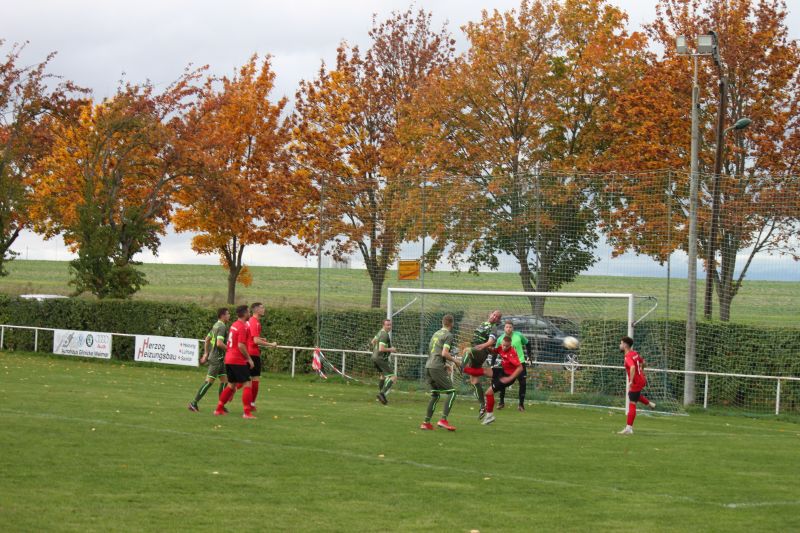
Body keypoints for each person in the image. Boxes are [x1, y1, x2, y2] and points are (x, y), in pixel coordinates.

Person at [420, 314, 461, 431]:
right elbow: (444, 353)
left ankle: (426, 423)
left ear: (442, 323)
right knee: (452, 392)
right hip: (436, 366)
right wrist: (455, 361)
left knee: (435, 394)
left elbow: (433, 351)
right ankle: (443, 420)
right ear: (452, 324)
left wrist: (444, 364)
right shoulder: (449, 335)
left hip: (428, 366)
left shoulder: (435, 334)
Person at [215, 305, 256, 418]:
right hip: (237, 360)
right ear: (244, 314)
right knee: (247, 383)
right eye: (248, 312)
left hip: (229, 359)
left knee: (231, 385)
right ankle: (247, 412)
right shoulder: (242, 327)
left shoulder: (234, 325)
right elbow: (241, 345)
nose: (250, 314)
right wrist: (249, 359)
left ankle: (219, 409)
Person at [461, 310, 502, 420]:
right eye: (494, 315)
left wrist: (480, 347)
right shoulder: (483, 324)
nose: (494, 317)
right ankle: (482, 406)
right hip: (476, 351)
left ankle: (460, 367)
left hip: (480, 351)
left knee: (466, 351)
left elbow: (490, 342)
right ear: (490, 314)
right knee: (474, 381)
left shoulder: (493, 328)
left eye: (497, 317)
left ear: (498, 320)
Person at [188, 307, 230, 412]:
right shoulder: (221, 327)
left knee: (224, 381)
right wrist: (230, 350)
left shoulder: (216, 325)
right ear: (223, 316)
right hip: (216, 359)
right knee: (208, 382)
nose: (229, 316)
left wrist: (206, 353)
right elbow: (219, 343)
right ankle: (193, 403)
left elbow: (207, 339)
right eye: (228, 314)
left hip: (219, 359)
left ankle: (221, 405)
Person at [482, 334, 524, 425]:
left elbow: (520, 368)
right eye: (503, 345)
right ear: (502, 343)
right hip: (502, 371)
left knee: (488, 392)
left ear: (511, 344)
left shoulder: (512, 353)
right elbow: (494, 351)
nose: (504, 347)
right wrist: (485, 346)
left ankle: (489, 416)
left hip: (508, 377)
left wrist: (510, 378)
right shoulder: (501, 347)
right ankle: (465, 369)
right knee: (484, 371)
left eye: (507, 346)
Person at [618, 336, 656, 435]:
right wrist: (642, 372)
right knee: (634, 395)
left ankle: (629, 428)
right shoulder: (634, 353)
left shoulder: (628, 357)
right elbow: (643, 362)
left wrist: (631, 381)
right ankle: (650, 404)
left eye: (621, 343)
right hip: (641, 380)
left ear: (625, 345)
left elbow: (633, 367)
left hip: (636, 382)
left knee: (632, 402)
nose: (620, 345)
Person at [246, 302, 277, 412]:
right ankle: (251, 404)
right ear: (256, 310)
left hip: (249, 352)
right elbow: (255, 340)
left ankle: (249, 403)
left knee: (248, 380)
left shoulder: (251, 321)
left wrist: (261, 339)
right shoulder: (255, 322)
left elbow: (252, 337)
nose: (264, 309)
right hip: (253, 353)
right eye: (262, 307)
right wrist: (271, 345)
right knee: (254, 380)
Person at [495, 320, 531, 411]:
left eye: (510, 327)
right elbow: (496, 351)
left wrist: (529, 356)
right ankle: (501, 402)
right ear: (504, 328)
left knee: (523, 383)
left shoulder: (518, 335)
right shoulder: (500, 339)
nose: (508, 329)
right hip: (507, 364)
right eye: (507, 327)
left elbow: (527, 343)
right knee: (503, 382)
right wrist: (492, 363)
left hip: (520, 363)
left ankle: (521, 405)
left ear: (513, 328)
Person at [371, 318, 397, 405]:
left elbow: (373, 342)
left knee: (382, 376)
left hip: (374, 357)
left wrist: (375, 350)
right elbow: (382, 349)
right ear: (383, 325)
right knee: (393, 377)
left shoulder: (379, 332)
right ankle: (382, 393)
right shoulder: (384, 335)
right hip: (380, 358)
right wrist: (391, 349)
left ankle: (380, 397)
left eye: (390, 325)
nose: (389, 327)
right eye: (387, 325)